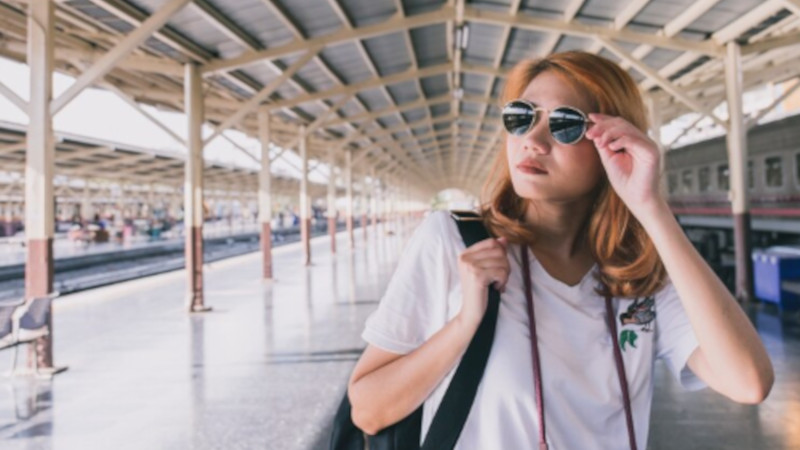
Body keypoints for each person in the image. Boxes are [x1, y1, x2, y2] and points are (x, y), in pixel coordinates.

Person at [346, 51, 774, 449]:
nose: (533, 139)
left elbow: (748, 382)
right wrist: (464, 324)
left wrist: (651, 209)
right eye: (521, 117)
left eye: (565, 124)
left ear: (615, 143)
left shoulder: (638, 271)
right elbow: (367, 410)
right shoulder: (452, 241)